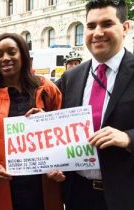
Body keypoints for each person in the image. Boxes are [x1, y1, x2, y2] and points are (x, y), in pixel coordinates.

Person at [0, 33, 63, 210]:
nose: (5, 58)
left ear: (23, 55)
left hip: (41, 185)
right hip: (2, 184)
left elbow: (65, 129)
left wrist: (46, 119)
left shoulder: (46, 89)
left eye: (11, 52)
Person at [54, 1, 134, 210]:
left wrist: (128, 138)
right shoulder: (70, 77)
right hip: (76, 195)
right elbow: (57, 127)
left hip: (125, 196)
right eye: (91, 26)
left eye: (107, 24)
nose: (97, 33)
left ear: (125, 28)